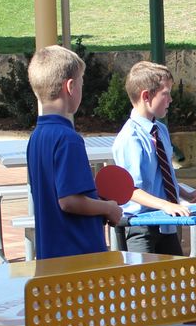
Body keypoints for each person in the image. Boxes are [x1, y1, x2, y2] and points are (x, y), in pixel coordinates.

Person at [25, 45, 123, 260]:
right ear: (70, 86)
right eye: (81, 83)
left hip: (51, 256)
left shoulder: (36, 137)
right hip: (79, 257)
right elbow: (69, 201)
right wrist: (108, 208)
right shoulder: (68, 139)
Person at [110, 61, 196, 255]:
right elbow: (130, 190)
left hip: (164, 223)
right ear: (146, 96)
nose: (171, 100)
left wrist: (187, 195)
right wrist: (166, 205)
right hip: (140, 227)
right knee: (144, 275)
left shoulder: (160, 130)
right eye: (166, 93)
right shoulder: (130, 138)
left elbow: (161, 176)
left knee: (173, 273)